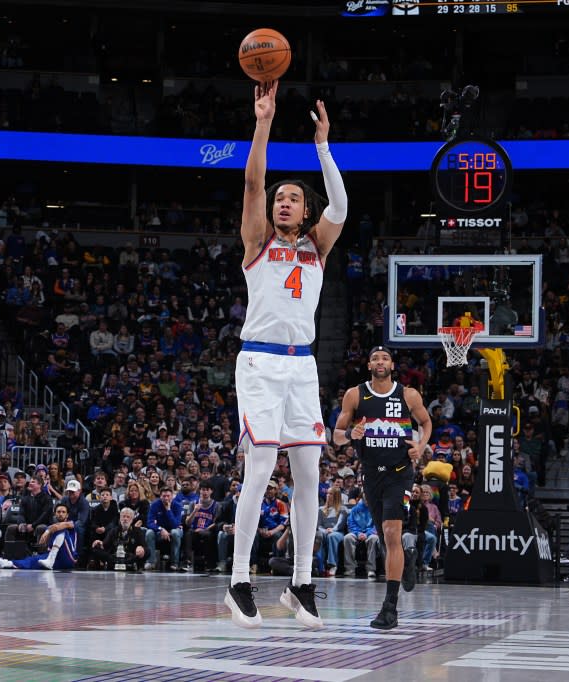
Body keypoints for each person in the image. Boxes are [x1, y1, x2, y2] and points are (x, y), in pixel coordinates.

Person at [225, 81, 347, 631]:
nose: (282, 201)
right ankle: (239, 581)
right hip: (259, 362)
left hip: (302, 366)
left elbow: (341, 205)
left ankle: (301, 584)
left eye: (293, 198)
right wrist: (264, 122)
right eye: (281, 198)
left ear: (305, 210)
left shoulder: (317, 245)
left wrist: (323, 147)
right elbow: (253, 181)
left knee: (309, 473)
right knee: (259, 468)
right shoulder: (257, 240)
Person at [332, 346, 431, 630]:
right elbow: (337, 436)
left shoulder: (408, 394)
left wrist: (421, 446)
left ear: (392, 365)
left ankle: (390, 609)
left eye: (384, 358)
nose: (379, 361)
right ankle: (408, 558)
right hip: (371, 476)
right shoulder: (355, 394)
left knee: (390, 532)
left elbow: (426, 423)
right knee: (389, 540)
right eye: (375, 358)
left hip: (400, 473)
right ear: (369, 365)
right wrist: (351, 433)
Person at [0, 503, 78, 570]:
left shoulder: (70, 524)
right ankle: (4, 563)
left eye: (63, 512)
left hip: (69, 559)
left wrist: (48, 531)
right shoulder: (52, 527)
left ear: (67, 514)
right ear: (55, 514)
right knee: (31, 560)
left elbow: (59, 526)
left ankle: (50, 559)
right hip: (58, 561)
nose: (60, 514)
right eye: (58, 512)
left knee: (59, 529)